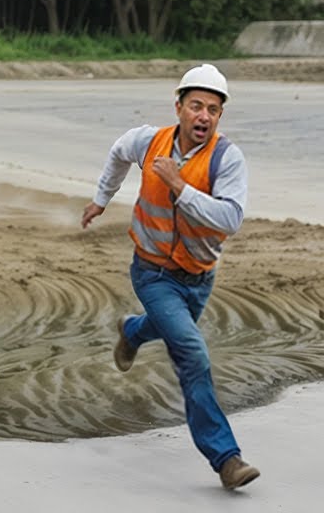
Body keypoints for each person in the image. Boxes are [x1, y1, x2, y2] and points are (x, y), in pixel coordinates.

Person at [80, 63, 258, 490]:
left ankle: (134, 331)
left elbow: (230, 218)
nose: (204, 116)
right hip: (153, 273)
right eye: (196, 105)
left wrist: (180, 186)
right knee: (192, 354)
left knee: (173, 331)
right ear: (178, 107)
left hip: (200, 277)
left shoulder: (226, 158)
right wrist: (102, 199)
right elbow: (119, 151)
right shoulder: (149, 141)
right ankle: (226, 458)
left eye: (213, 110)